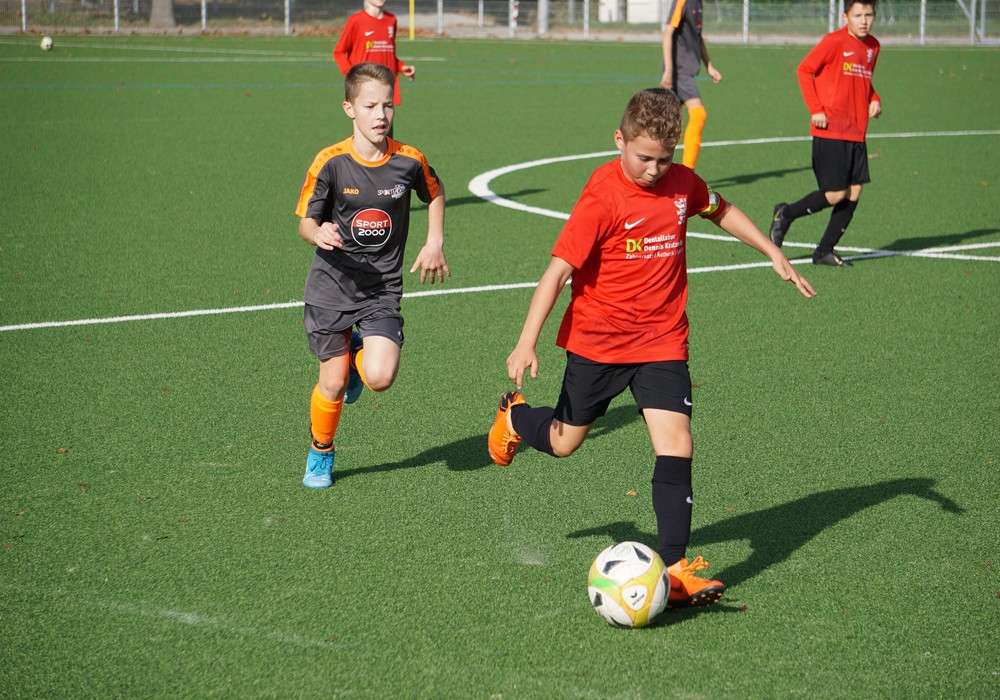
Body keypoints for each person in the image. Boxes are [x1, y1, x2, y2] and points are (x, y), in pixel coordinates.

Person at [487, 88, 816, 609]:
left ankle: (676, 568)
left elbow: (721, 209)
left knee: (676, 442)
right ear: (619, 140)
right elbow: (557, 273)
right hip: (598, 342)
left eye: (665, 159)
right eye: (644, 157)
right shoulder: (602, 197)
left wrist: (770, 250)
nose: (655, 170)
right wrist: (526, 341)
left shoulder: (682, 183)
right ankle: (515, 417)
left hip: (662, 338)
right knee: (564, 442)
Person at [295, 62, 449, 489]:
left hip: (381, 288)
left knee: (380, 377)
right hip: (331, 287)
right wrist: (317, 232)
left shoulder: (409, 160)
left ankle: (357, 353)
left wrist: (434, 241)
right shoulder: (330, 162)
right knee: (333, 381)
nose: (381, 115)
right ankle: (321, 452)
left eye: (387, 105)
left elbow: (435, 192)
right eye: (370, 106)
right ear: (349, 108)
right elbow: (305, 222)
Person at [769, 0, 881, 267]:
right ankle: (786, 213)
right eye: (857, 15)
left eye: (868, 15)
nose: (864, 20)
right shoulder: (834, 42)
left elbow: (864, 81)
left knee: (854, 191)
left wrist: (874, 99)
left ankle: (824, 251)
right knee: (836, 194)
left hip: (857, 132)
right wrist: (816, 109)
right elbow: (804, 70)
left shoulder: (873, 46)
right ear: (845, 17)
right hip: (830, 130)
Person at [334, 0, 415, 137]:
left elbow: (388, 54)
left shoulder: (391, 20)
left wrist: (402, 67)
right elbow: (339, 52)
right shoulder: (356, 20)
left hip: (385, 87)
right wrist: (352, 76)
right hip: (365, 88)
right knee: (366, 137)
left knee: (386, 137)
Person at [660, 0, 721, 170]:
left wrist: (709, 66)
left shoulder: (698, 3)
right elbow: (667, 33)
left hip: (685, 72)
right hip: (679, 72)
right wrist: (669, 70)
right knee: (698, 115)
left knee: (669, 122)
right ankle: (687, 170)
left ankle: (663, 169)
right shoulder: (682, 1)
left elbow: (697, 37)